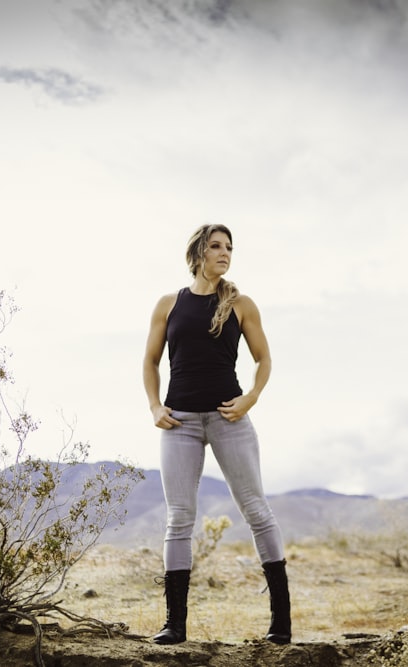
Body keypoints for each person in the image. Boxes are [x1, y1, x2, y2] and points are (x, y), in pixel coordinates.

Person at [142, 223, 291, 645]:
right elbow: (150, 362)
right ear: (197, 254)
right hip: (180, 424)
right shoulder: (169, 305)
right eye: (216, 246)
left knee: (257, 511)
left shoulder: (241, 304)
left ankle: (281, 623)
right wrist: (155, 406)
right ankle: (175, 624)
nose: (224, 253)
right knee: (178, 519)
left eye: (229, 247)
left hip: (230, 420)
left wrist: (251, 398)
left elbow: (264, 359)